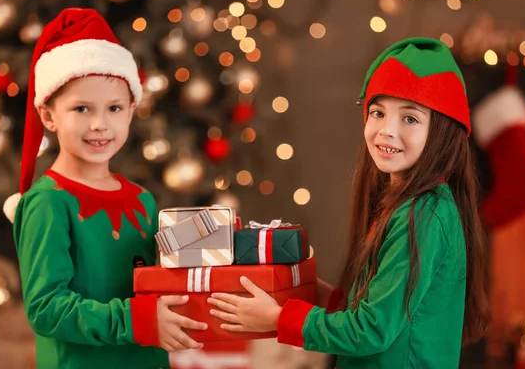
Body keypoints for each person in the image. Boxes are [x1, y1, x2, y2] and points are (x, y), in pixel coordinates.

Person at [206, 37, 490, 368]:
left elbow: (371, 329)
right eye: (378, 112)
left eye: (409, 118)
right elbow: (380, 309)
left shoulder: (423, 213)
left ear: (443, 131)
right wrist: (306, 290)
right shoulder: (406, 204)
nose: (386, 130)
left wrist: (278, 319)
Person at [3, 8, 206, 369]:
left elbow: (155, 280)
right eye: (81, 109)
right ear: (49, 116)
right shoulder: (48, 203)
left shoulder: (142, 200)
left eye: (113, 108)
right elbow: (46, 309)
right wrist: (137, 320)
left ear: (131, 111)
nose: (99, 124)